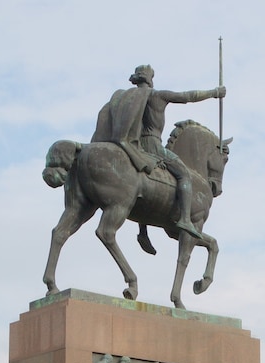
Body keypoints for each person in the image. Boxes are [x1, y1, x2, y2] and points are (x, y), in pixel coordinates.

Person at [94, 65, 225, 239]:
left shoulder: (129, 98)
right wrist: (214, 92)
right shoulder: (157, 96)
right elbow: (188, 96)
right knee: (184, 174)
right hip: (153, 146)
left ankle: (143, 231)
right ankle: (185, 219)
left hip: (137, 146)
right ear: (149, 79)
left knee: (144, 178)